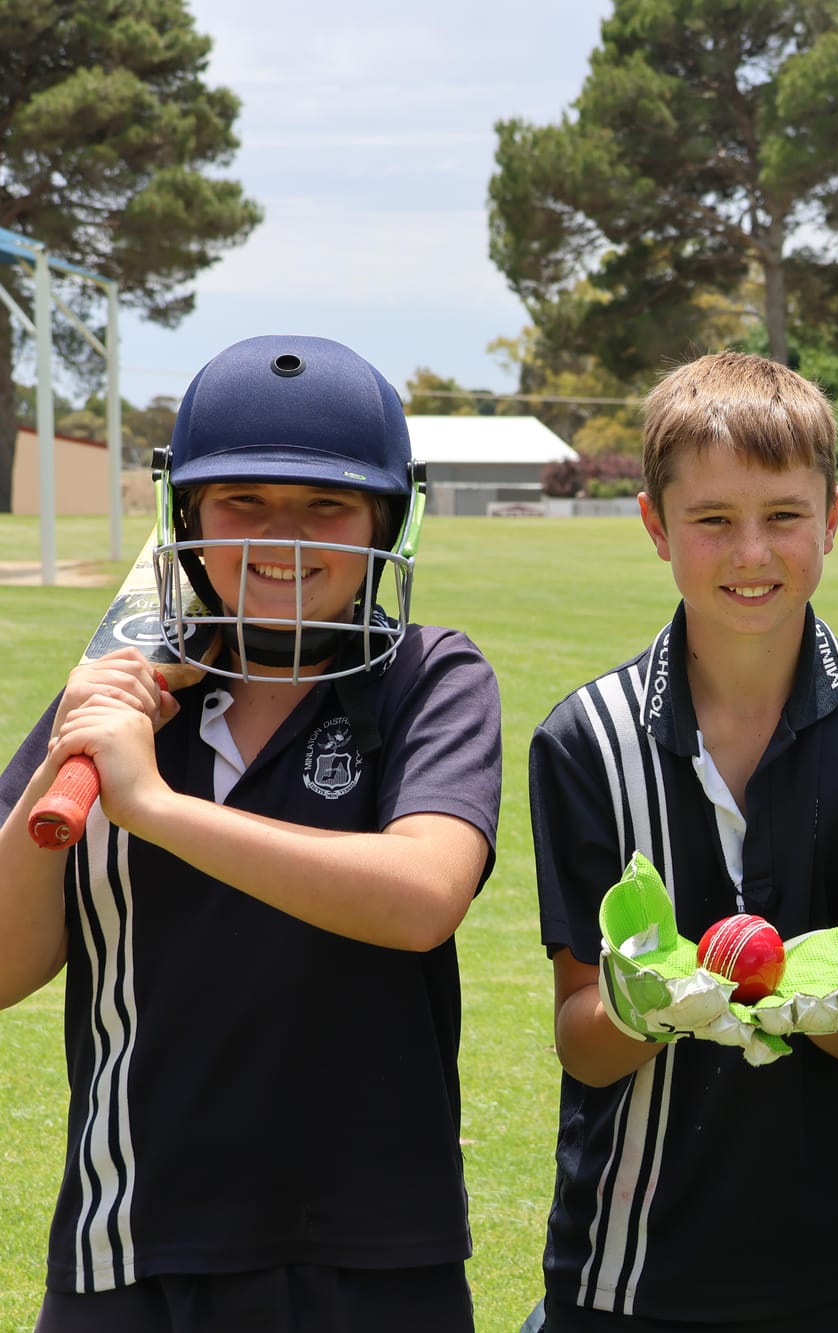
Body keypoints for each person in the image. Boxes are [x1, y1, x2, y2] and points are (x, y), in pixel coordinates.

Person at [0, 335, 502, 1331]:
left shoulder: (429, 681)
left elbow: (420, 897)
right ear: (184, 514)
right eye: (245, 502)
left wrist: (158, 808)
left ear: (385, 519)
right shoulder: (116, 701)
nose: (290, 537)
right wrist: (68, 758)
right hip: (132, 1240)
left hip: (373, 1252)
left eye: (328, 505)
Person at [527, 351, 838, 1332]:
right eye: (712, 520)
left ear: (833, 517)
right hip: (627, 1271)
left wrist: (764, 987)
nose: (750, 553)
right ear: (653, 525)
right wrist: (649, 1007)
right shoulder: (582, 741)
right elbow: (582, 1044)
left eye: (782, 516)